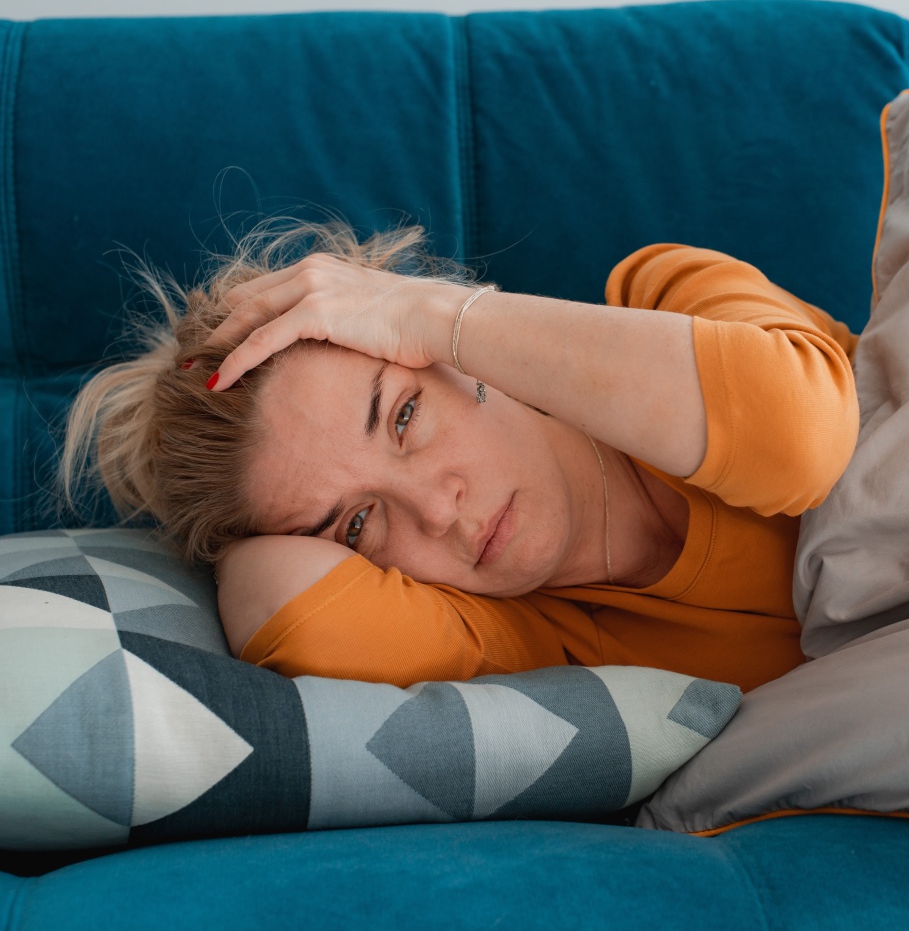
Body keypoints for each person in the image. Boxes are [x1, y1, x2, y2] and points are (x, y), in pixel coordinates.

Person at [62, 220, 859, 693]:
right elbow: (290, 614)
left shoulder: (669, 294)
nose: (439, 510)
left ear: (442, 348)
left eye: (405, 415)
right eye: (357, 524)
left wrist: (427, 305)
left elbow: (803, 443)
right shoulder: (528, 636)